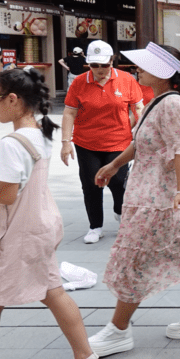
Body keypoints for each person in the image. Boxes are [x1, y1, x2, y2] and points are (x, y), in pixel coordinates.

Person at [88, 43, 180, 356]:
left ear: (162, 72)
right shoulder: (159, 101)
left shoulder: (171, 105)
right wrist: (115, 164)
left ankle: (118, 330)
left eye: (143, 66)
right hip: (159, 196)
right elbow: (143, 144)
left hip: (161, 200)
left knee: (135, 261)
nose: (137, 69)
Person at [0, 67, 106, 359]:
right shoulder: (38, 131)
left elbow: (7, 191)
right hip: (42, 226)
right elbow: (13, 163)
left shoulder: (14, 141)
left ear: (11, 99)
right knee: (52, 291)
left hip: (20, 234)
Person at [60, 40, 144, 244]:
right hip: (86, 142)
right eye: (94, 65)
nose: (99, 69)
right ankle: (95, 226)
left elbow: (139, 109)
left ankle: (119, 210)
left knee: (117, 182)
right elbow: (69, 112)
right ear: (89, 64)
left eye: (104, 64)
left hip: (119, 141)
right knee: (91, 184)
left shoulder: (126, 80)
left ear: (111, 61)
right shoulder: (79, 82)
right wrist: (65, 142)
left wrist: (141, 135)